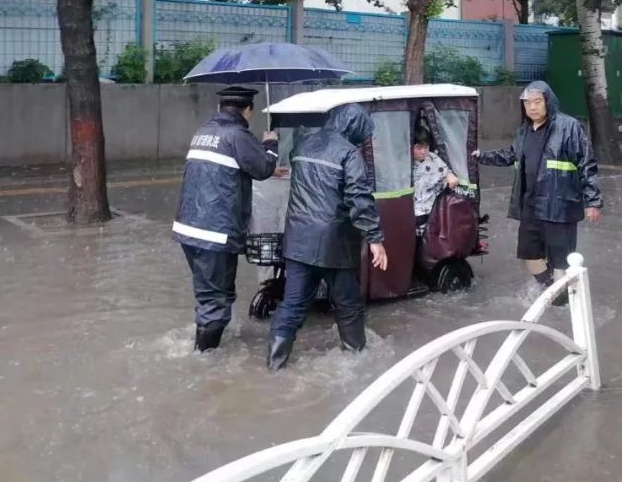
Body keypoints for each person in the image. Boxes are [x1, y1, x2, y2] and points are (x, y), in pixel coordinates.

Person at [267, 104, 388, 370]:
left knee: (293, 304)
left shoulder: (302, 146)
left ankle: (274, 367)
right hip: (336, 244)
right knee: (348, 304)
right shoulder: (349, 154)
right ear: (355, 128)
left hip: (298, 240)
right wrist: (375, 239)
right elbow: (359, 198)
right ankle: (357, 360)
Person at [174, 86, 279, 352]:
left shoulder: (204, 132)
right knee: (216, 302)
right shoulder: (237, 135)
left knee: (208, 295)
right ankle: (204, 362)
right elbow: (263, 168)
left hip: (189, 229)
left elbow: (224, 170)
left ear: (220, 108)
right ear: (248, 110)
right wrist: (270, 143)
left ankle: (206, 343)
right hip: (215, 233)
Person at [475, 81, 601, 299]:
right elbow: (510, 155)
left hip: (559, 205)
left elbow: (587, 164)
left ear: (548, 102)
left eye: (537, 102)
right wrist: (482, 156)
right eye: (527, 103)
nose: (532, 107)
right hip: (530, 206)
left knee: (561, 258)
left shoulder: (568, 127)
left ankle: (564, 301)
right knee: (529, 254)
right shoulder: (524, 130)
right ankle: (549, 289)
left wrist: (592, 201)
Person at [411, 125, 460, 236]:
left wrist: (450, 175)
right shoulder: (402, 161)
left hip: (430, 212)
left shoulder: (433, 159)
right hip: (409, 214)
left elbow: (446, 173)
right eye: (418, 147)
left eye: (426, 147)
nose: (423, 151)